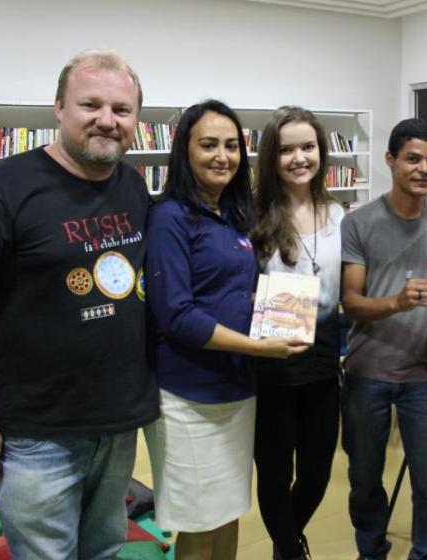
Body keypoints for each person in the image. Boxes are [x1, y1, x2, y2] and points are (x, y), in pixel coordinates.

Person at [0, 49, 158, 559]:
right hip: (35, 434)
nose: (107, 120)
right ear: (58, 107)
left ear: (137, 120)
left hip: (118, 425)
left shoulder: (133, 184)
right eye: (90, 105)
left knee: (103, 551)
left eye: (122, 110)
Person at [143, 100, 307, 560]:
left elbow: (236, 292)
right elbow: (177, 314)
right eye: (209, 145)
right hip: (188, 396)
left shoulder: (234, 216)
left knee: (228, 510)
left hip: (237, 390)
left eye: (232, 146)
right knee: (198, 524)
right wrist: (258, 345)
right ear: (184, 151)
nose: (223, 156)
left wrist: (272, 308)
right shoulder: (169, 217)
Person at [340, 118, 427, 560]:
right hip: (367, 370)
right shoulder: (359, 222)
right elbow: (351, 304)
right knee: (364, 478)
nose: (424, 168)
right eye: (413, 159)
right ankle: (371, 550)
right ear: (391, 161)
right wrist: (396, 302)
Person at [250, 106, 343, 560]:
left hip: (325, 356)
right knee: (272, 471)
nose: (299, 158)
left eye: (308, 147)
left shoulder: (339, 215)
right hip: (271, 361)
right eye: (287, 149)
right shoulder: (251, 216)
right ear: (272, 157)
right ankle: (288, 551)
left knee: (318, 472)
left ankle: (288, 540)